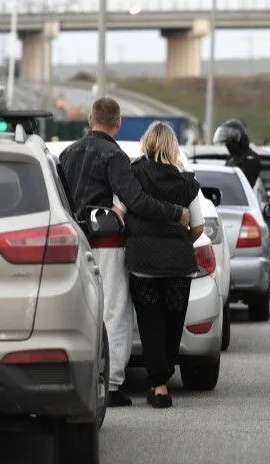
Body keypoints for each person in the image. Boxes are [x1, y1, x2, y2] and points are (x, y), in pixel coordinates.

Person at [59, 97, 190, 408]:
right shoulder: (115, 156)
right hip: (108, 244)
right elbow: (136, 200)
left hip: (71, 243)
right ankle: (112, 383)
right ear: (117, 124)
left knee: (79, 310)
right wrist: (175, 213)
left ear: (90, 120)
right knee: (114, 312)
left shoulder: (66, 154)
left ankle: (80, 375)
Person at [112, 121, 204, 409]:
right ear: (172, 146)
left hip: (144, 263)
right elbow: (199, 227)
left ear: (147, 143)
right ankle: (163, 378)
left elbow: (120, 212)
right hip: (178, 263)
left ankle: (159, 385)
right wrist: (179, 240)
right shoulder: (187, 182)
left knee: (150, 322)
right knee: (173, 324)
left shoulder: (134, 175)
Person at [213, 119, 261, 188]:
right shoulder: (232, 157)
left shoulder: (250, 158)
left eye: (229, 142)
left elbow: (242, 184)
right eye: (226, 143)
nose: (227, 145)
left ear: (237, 140)